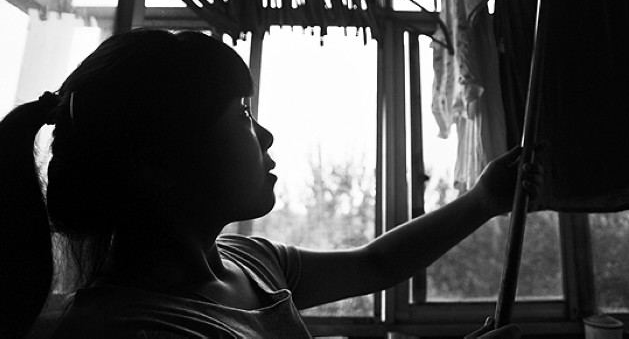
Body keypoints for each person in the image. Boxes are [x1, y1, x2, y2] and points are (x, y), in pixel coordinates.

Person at [0, 29, 537, 338]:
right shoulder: (135, 331)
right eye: (240, 115)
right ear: (157, 161)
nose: (267, 135)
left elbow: (376, 264)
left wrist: (484, 199)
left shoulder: (249, 261)